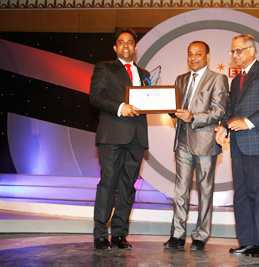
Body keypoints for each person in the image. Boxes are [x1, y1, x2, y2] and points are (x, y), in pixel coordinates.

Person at [214, 34, 259, 258]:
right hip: (239, 147)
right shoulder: (235, 80)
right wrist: (224, 127)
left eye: (239, 50)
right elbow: (230, 111)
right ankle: (248, 241)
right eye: (232, 51)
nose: (235, 55)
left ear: (252, 50)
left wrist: (248, 122)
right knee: (242, 195)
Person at [163, 41, 229, 251]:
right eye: (190, 54)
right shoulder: (180, 79)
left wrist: (193, 117)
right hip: (182, 140)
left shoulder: (218, 78)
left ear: (207, 56)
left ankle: (201, 235)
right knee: (180, 190)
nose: (193, 58)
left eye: (198, 54)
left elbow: (218, 111)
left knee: (205, 190)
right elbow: (175, 108)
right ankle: (177, 234)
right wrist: (168, 109)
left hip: (205, 142)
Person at [89, 27, 150, 250]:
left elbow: (150, 101)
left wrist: (169, 106)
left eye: (130, 42)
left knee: (128, 186)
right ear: (116, 47)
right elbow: (95, 97)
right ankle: (100, 233)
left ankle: (120, 234)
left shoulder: (144, 74)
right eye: (121, 42)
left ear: (135, 47)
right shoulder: (104, 68)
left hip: (137, 137)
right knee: (108, 183)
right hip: (112, 136)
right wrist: (120, 107)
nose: (126, 45)